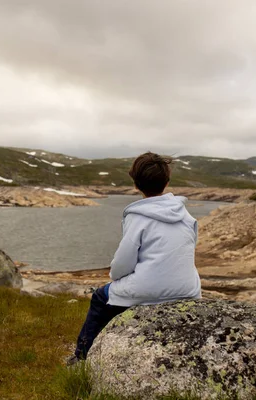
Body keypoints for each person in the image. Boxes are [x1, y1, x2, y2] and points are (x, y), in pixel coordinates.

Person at [69, 152, 201, 364]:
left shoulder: (138, 216)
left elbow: (124, 261)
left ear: (136, 184)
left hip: (149, 290)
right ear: (167, 182)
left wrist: (115, 276)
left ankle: (81, 356)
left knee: (101, 298)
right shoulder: (186, 215)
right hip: (188, 290)